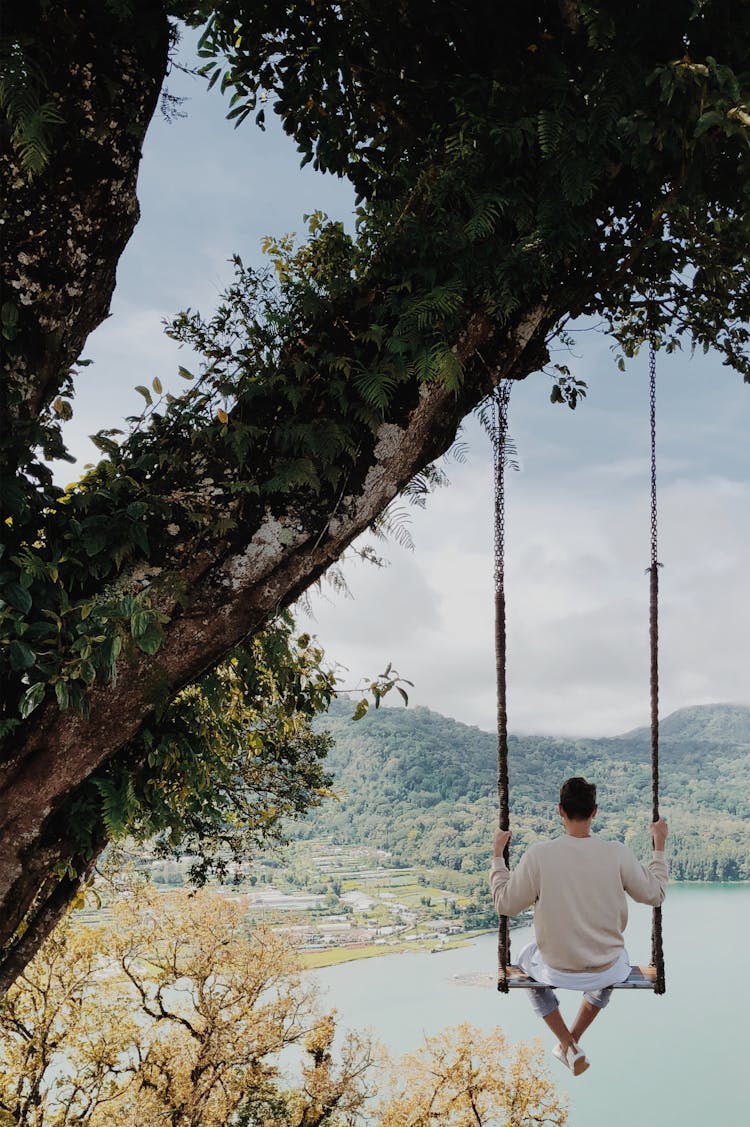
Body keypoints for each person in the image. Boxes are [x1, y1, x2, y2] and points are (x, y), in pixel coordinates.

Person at [489, 776, 668, 1077]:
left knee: (522, 962)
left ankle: (566, 1044)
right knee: (614, 962)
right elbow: (655, 894)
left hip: (556, 967)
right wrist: (659, 846)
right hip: (605, 967)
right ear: (594, 811)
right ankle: (570, 1043)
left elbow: (505, 903)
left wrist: (497, 856)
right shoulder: (617, 852)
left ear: (560, 811)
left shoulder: (539, 855)